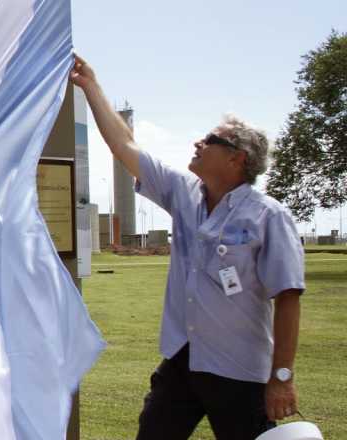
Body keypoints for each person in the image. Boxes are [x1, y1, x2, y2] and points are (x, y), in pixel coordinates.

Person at [70, 55, 305, 440]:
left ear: (236, 158)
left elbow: (289, 297)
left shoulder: (268, 217)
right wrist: (91, 85)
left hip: (239, 370)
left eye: (211, 140)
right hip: (183, 361)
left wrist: (281, 377)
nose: (198, 142)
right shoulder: (185, 194)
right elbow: (125, 145)